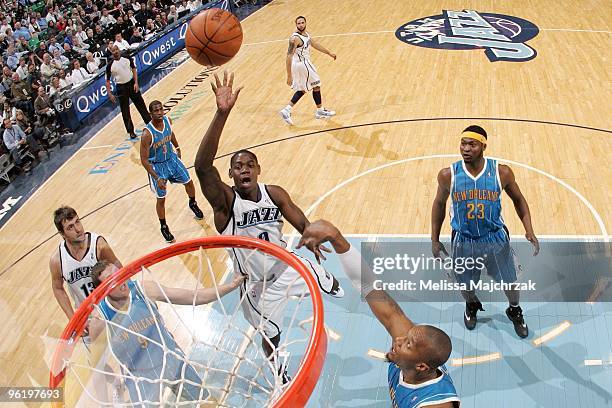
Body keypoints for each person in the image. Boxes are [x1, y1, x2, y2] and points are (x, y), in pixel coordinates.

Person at [193, 72, 344, 382]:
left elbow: (302, 222)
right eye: (238, 166)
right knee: (272, 334)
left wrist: (311, 234)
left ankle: (320, 274)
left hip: (285, 266)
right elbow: (202, 168)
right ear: (231, 175)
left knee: (310, 270)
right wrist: (222, 114)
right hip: (255, 284)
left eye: (250, 164)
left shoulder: (273, 193)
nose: (244, 169)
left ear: (258, 169)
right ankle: (277, 366)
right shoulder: (225, 204)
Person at [298, 220, 461, 408]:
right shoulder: (411, 357)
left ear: (421, 367)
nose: (398, 339)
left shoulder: (433, 404)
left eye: (407, 344)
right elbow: (369, 287)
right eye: (406, 338)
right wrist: (337, 238)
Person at [430, 125, 540, 338]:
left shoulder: (502, 172)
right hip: (463, 239)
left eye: (472, 144)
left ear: (483, 146)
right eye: (463, 143)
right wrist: (434, 239)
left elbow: (518, 199)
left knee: (510, 281)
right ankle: (471, 305)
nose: (466, 149)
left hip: (495, 238)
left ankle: (514, 309)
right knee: (465, 284)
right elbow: (438, 204)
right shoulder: (448, 175)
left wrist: (529, 229)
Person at [89, 260, 245, 405]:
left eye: (118, 273)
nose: (119, 281)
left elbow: (192, 296)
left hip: (171, 360)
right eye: (111, 280)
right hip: (140, 379)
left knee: (207, 403)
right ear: (102, 290)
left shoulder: (143, 290)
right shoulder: (100, 319)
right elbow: (96, 368)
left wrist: (230, 286)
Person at [140, 100, 204, 243]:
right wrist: (156, 178)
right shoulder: (147, 134)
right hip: (157, 167)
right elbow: (144, 160)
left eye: (161, 109)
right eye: (156, 111)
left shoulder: (167, 120)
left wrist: (178, 147)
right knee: (161, 199)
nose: (159, 113)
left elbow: (171, 134)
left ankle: (192, 203)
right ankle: (163, 226)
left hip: (171, 159)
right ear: (150, 114)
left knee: (189, 182)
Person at [49, 206, 123, 321]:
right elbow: (58, 288)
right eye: (70, 227)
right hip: (88, 318)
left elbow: (120, 271)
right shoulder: (57, 260)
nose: (78, 229)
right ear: (62, 234)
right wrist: (72, 318)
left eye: (77, 222)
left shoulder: (99, 245)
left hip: (113, 309)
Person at [279, 16, 336, 126]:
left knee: (304, 89)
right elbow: (288, 56)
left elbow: (315, 44)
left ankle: (287, 110)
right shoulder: (294, 39)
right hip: (303, 65)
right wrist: (289, 75)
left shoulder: (305, 34)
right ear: (296, 24)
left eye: (302, 23)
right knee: (317, 85)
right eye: (298, 23)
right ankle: (319, 111)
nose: (300, 25)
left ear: (305, 23)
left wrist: (329, 53)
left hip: (302, 65)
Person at [105, 44, 151, 138]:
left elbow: (134, 69)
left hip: (131, 84)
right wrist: (109, 93)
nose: (116, 52)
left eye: (116, 50)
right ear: (112, 53)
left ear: (119, 50)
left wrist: (136, 83)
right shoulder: (109, 65)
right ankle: (131, 131)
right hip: (121, 88)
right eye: (113, 51)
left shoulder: (126, 57)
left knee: (141, 105)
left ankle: (149, 123)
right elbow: (107, 80)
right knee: (125, 110)